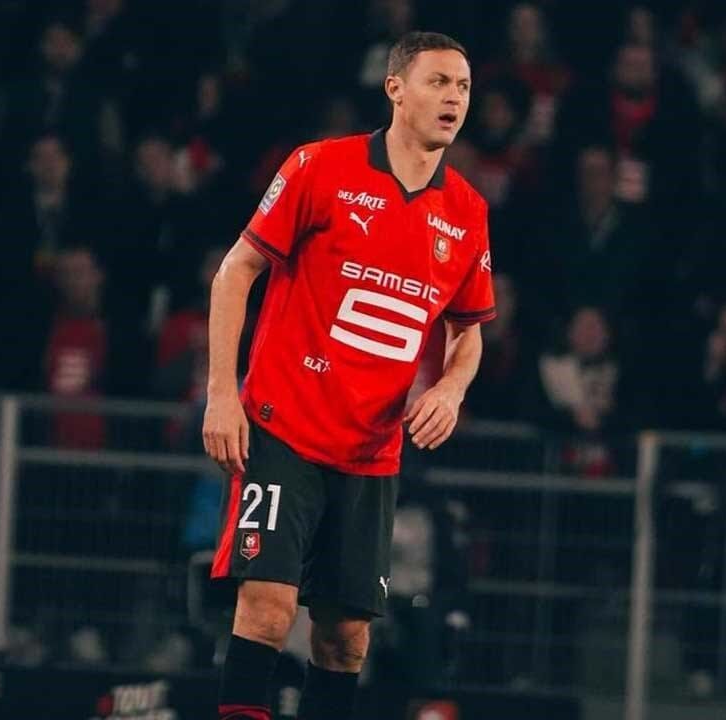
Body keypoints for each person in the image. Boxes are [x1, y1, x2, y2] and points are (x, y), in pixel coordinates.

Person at [204, 31, 495, 720]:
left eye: (462, 86)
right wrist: (221, 393)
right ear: (396, 89)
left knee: (345, 638)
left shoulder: (467, 213)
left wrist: (451, 388)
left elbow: (469, 331)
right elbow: (236, 270)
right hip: (282, 426)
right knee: (267, 607)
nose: (453, 98)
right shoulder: (320, 167)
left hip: (370, 453)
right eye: (438, 82)